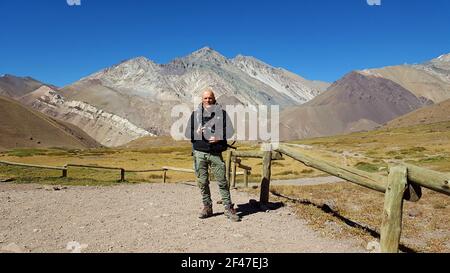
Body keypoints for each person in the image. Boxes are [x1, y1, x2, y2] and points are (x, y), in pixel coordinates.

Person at [185, 88, 241, 222]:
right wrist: (197, 133)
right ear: (202, 100)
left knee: (222, 181)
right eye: (205, 98)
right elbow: (187, 133)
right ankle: (207, 207)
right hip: (199, 153)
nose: (208, 100)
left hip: (215, 153)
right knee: (202, 182)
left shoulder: (222, 114)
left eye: (210, 98)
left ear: (214, 99)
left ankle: (228, 208)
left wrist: (219, 137)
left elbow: (231, 131)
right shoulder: (195, 115)